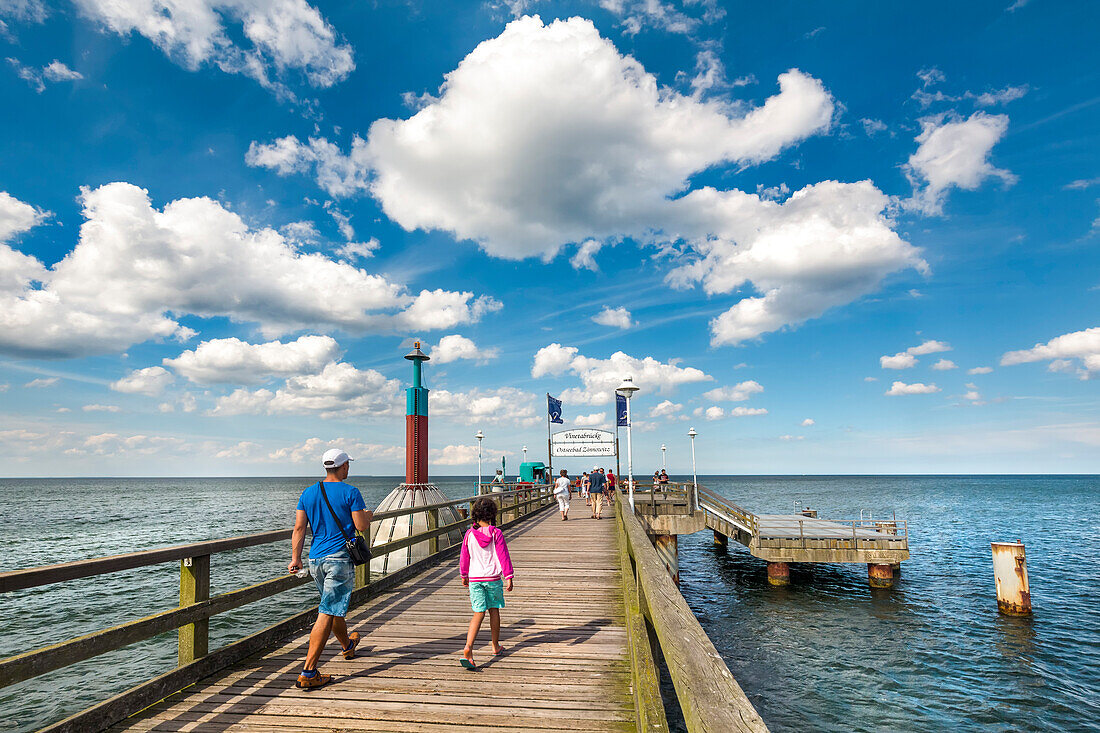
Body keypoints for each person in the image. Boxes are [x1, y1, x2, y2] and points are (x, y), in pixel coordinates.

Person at [288, 449, 372, 690]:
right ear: (343, 466)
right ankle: (308, 671)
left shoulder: (308, 492)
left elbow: (299, 528)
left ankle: (347, 646)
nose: (349, 469)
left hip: (316, 560)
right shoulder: (351, 492)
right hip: (339, 560)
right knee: (326, 611)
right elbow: (361, 526)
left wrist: (296, 558)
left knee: (332, 607)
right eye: (348, 465)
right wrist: (368, 515)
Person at [459, 497, 514, 669]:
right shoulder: (495, 533)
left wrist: (464, 574)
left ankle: (468, 647)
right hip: (492, 579)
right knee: (494, 611)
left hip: (475, 579)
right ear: (492, 515)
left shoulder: (469, 534)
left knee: (478, 613)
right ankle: (495, 646)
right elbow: (503, 556)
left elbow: (464, 556)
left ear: (475, 515)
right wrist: (509, 576)